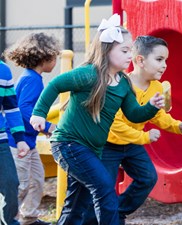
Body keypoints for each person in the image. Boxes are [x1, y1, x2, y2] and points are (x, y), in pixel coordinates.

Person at [29, 14, 164, 225]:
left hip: (92, 149)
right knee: (104, 189)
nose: (130, 55)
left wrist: (150, 107)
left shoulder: (123, 83)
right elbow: (55, 84)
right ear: (107, 50)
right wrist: (39, 113)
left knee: (76, 206)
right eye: (125, 50)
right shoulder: (88, 74)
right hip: (69, 144)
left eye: (131, 50)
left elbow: (133, 114)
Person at [82, 35, 182, 225]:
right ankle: (91, 221)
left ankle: (118, 212)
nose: (165, 65)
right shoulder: (120, 84)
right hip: (108, 144)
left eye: (166, 60)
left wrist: (178, 126)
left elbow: (157, 115)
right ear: (140, 60)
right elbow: (115, 123)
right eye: (159, 59)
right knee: (103, 187)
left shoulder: (157, 86)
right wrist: (143, 137)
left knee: (147, 178)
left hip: (132, 144)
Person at [4, 32, 60, 225]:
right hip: (17, 142)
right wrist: (47, 126)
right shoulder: (31, 79)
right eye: (55, 57)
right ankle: (8, 219)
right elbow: (25, 108)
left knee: (37, 179)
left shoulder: (33, 78)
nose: (55, 61)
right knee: (22, 184)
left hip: (29, 141)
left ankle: (29, 218)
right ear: (44, 57)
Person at [0, 60, 30, 225]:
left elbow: (11, 108)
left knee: (11, 183)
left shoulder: (4, 71)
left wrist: (20, 139)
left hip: (1, 141)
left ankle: (8, 221)